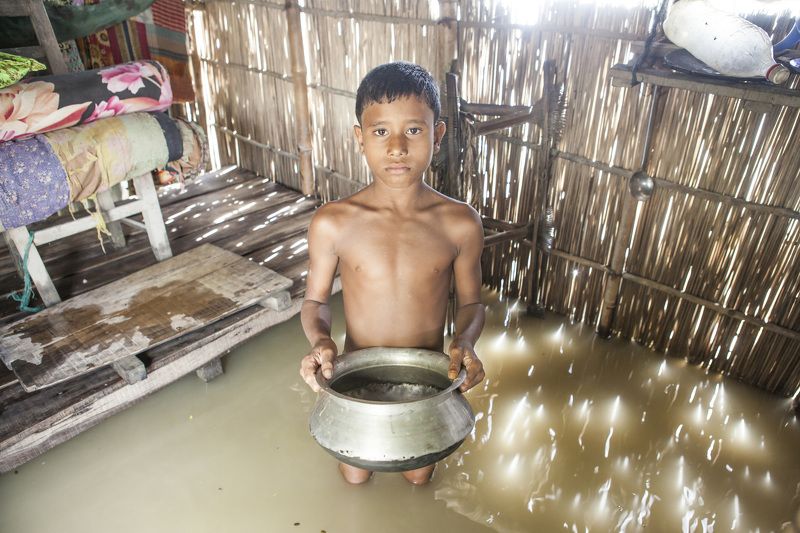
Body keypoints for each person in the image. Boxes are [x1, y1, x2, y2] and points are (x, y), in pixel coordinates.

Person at [299, 61, 486, 486]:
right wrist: (321, 341)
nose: (397, 147)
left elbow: (472, 303)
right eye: (381, 131)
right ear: (359, 138)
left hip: (429, 382)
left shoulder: (459, 223)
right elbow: (315, 301)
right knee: (355, 477)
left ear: (437, 135)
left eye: (414, 131)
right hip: (354, 380)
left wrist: (466, 343)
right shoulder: (335, 222)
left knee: (420, 478)